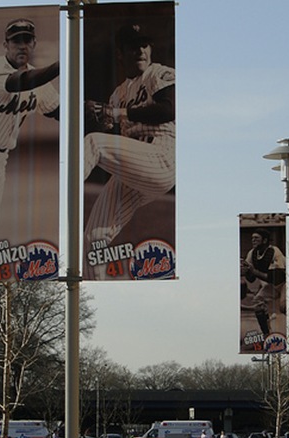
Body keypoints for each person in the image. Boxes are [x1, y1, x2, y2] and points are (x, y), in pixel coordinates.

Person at [83, 23, 175, 280]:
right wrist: (92, 114)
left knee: (94, 144)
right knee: (93, 239)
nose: (140, 50)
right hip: (135, 168)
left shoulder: (160, 73)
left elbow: (169, 109)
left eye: (144, 44)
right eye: (132, 46)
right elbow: (109, 127)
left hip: (162, 155)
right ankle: (97, 296)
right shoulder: (117, 94)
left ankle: (58, 196)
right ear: (121, 54)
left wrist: (115, 114)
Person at [0, 18, 59, 265]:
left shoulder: (37, 81)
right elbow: (20, 82)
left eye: (26, 40)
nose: (22, 46)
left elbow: (58, 110)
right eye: (16, 40)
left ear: (34, 44)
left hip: (1, 157)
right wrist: (62, 66)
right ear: (5, 44)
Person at [240, 228, 286, 338]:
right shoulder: (252, 253)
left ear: (264, 240)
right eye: (252, 238)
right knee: (257, 303)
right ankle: (267, 334)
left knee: (284, 307)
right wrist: (246, 272)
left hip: (286, 283)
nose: (253, 240)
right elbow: (251, 279)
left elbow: (276, 278)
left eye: (256, 238)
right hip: (271, 285)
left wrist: (253, 271)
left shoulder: (275, 251)